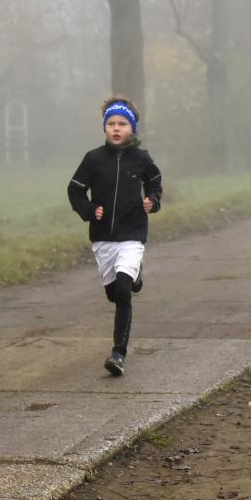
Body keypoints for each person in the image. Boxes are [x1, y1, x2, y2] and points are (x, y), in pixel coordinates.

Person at [67, 96, 163, 376]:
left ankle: (118, 353)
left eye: (122, 123)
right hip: (103, 237)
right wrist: (88, 210)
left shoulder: (142, 159)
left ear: (132, 128)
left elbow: (155, 183)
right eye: (111, 124)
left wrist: (153, 201)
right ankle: (135, 275)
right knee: (113, 294)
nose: (116, 128)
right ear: (105, 128)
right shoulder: (93, 159)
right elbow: (74, 190)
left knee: (122, 291)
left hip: (132, 234)